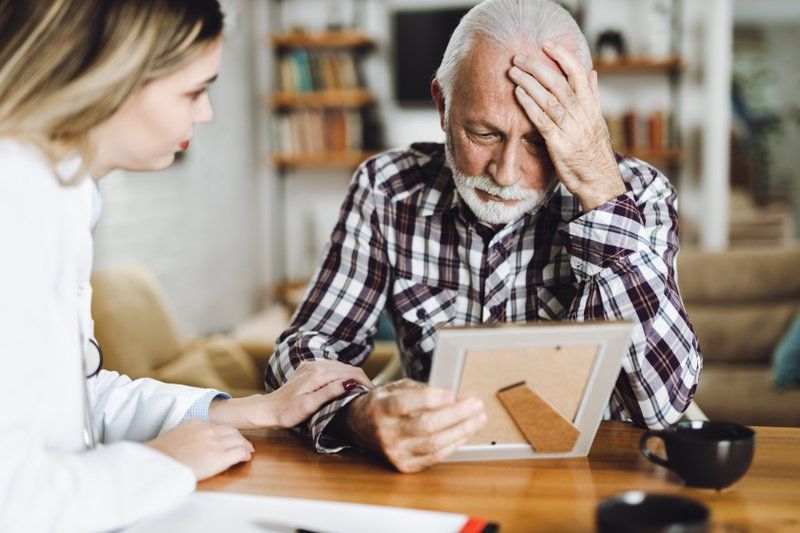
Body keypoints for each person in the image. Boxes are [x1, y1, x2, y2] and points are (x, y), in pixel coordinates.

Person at [267, 0, 702, 473]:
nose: (507, 172)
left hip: (595, 475)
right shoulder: (386, 189)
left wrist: (599, 189)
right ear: (441, 105)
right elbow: (304, 349)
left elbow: (662, 407)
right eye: (483, 134)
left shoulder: (639, 195)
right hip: (437, 474)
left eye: (539, 140)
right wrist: (355, 414)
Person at [0, 1, 371, 531]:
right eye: (194, 91)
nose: (206, 113)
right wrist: (164, 464)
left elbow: (76, 400)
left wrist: (252, 410)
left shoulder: (65, 195)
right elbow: (11, 498)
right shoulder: (13, 207)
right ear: (111, 79)